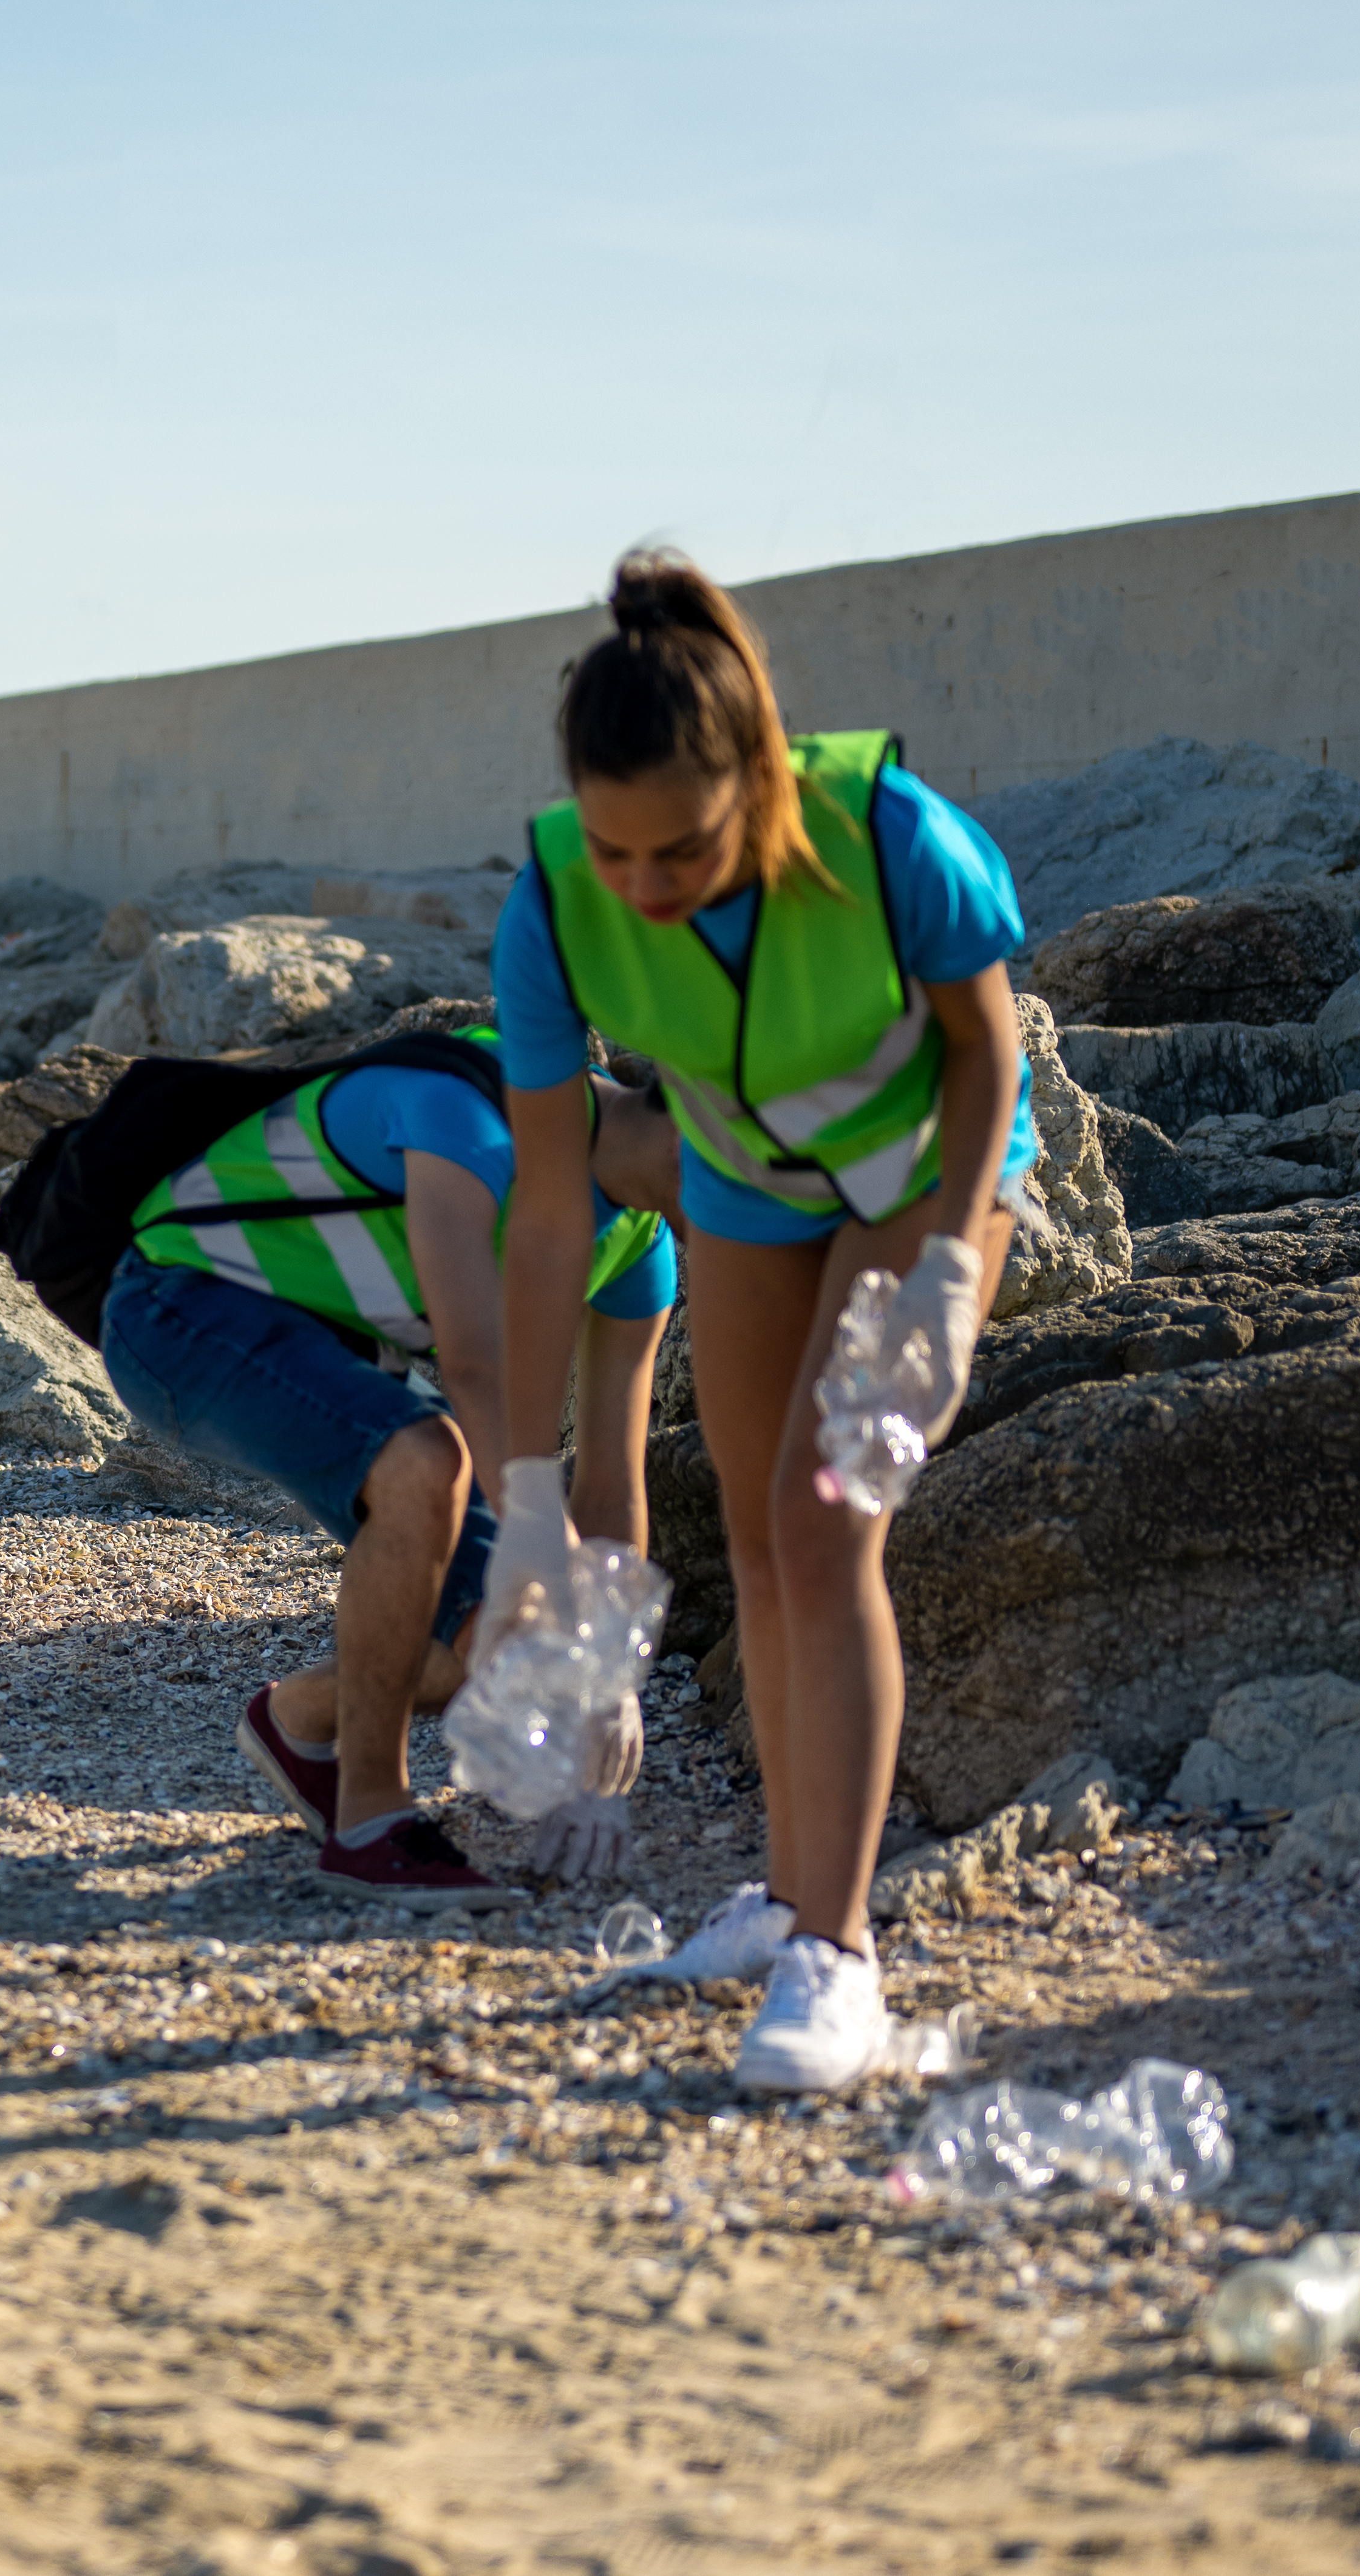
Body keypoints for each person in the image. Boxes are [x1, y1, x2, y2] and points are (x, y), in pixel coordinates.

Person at [489, 548, 1038, 2092]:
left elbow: (986, 1057)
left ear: (757, 780)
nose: (645, 885)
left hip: (920, 1178)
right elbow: (546, 1206)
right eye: (615, 851)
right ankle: (788, 1891)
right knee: (748, 1525)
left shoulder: (887, 833)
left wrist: (947, 1268)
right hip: (745, 1185)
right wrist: (525, 1493)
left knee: (822, 1523)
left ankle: (838, 1954)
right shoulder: (552, 901)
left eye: (682, 848)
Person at [97, 1035, 693, 1905]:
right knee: (427, 1461)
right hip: (173, 1308)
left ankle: (299, 1722)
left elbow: (610, 1480)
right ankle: (369, 1818)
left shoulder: (640, 1247)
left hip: (348, 1365)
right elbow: (471, 1363)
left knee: (516, 1643)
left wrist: (602, 1665)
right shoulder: (477, 1117)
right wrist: (544, 1548)